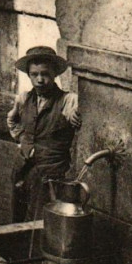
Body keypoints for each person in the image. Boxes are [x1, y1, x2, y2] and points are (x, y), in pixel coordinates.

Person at [7, 46, 81, 221]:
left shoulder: (67, 100)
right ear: (29, 75)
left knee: (41, 223)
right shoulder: (23, 99)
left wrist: (75, 117)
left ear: (55, 73)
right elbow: (12, 120)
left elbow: (74, 115)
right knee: (18, 218)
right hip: (23, 170)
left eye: (45, 74)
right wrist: (22, 139)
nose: (40, 79)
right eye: (34, 74)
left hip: (51, 175)